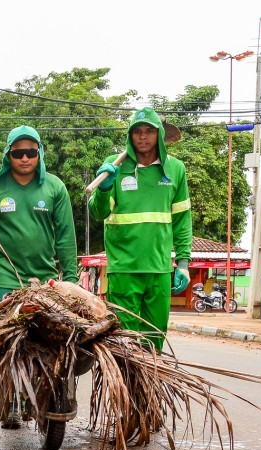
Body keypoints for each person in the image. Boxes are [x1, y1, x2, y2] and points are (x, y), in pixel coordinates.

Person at [89, 107, 191, 352]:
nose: (143, 137)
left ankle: (148, 389)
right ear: (129, 135)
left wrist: (184, 264)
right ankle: (123, 389)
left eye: (149, 131)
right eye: (137, 132)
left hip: (159, 269)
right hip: (124, 269)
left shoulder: (175, 169)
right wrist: (103, 190)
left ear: (159, 135)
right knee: (123, 342)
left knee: (154, 339)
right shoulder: (113, 165)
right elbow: (97, 213)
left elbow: (182, 220)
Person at [0, 126, 77, 301]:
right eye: (18, 153)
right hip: (4, 281)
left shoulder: (55, 187)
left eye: (31, 152)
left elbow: (66, 237)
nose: (25, 158)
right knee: (5, 328)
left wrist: (70, 280)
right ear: (8, 154)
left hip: (47, 282)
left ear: (39, 152)